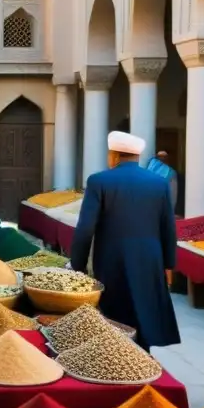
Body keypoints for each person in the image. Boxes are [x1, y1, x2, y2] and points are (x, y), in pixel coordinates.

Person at [70, 131, 179, 349]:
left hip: (112, 259)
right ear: (137, 157)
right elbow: (168, 227)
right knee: (144, 309)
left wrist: (77, 265)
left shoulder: (99, 181)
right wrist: (169, 265)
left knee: (114, 313)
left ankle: (116, 358)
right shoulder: (158, 183)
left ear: (114, 155)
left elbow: (85, 228)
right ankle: (142, 357)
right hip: (150, 260)